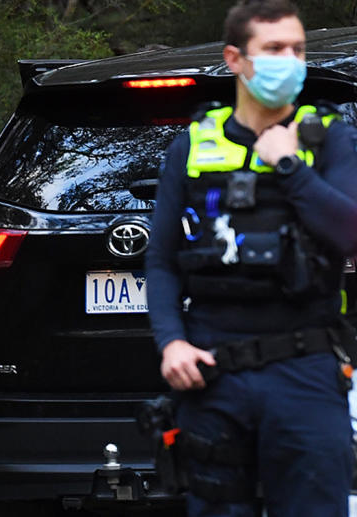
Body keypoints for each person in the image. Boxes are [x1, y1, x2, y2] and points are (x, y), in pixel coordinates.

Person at [146, 1, 357, 515]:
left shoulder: (327, 136)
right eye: (275, 49)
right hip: (214, 373)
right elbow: (161, 260)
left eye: (298, 49)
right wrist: (171, 343)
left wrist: (288, 164)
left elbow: (350, 232)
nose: (291, 60)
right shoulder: (193, 144)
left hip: (305, 371)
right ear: (235, 59)